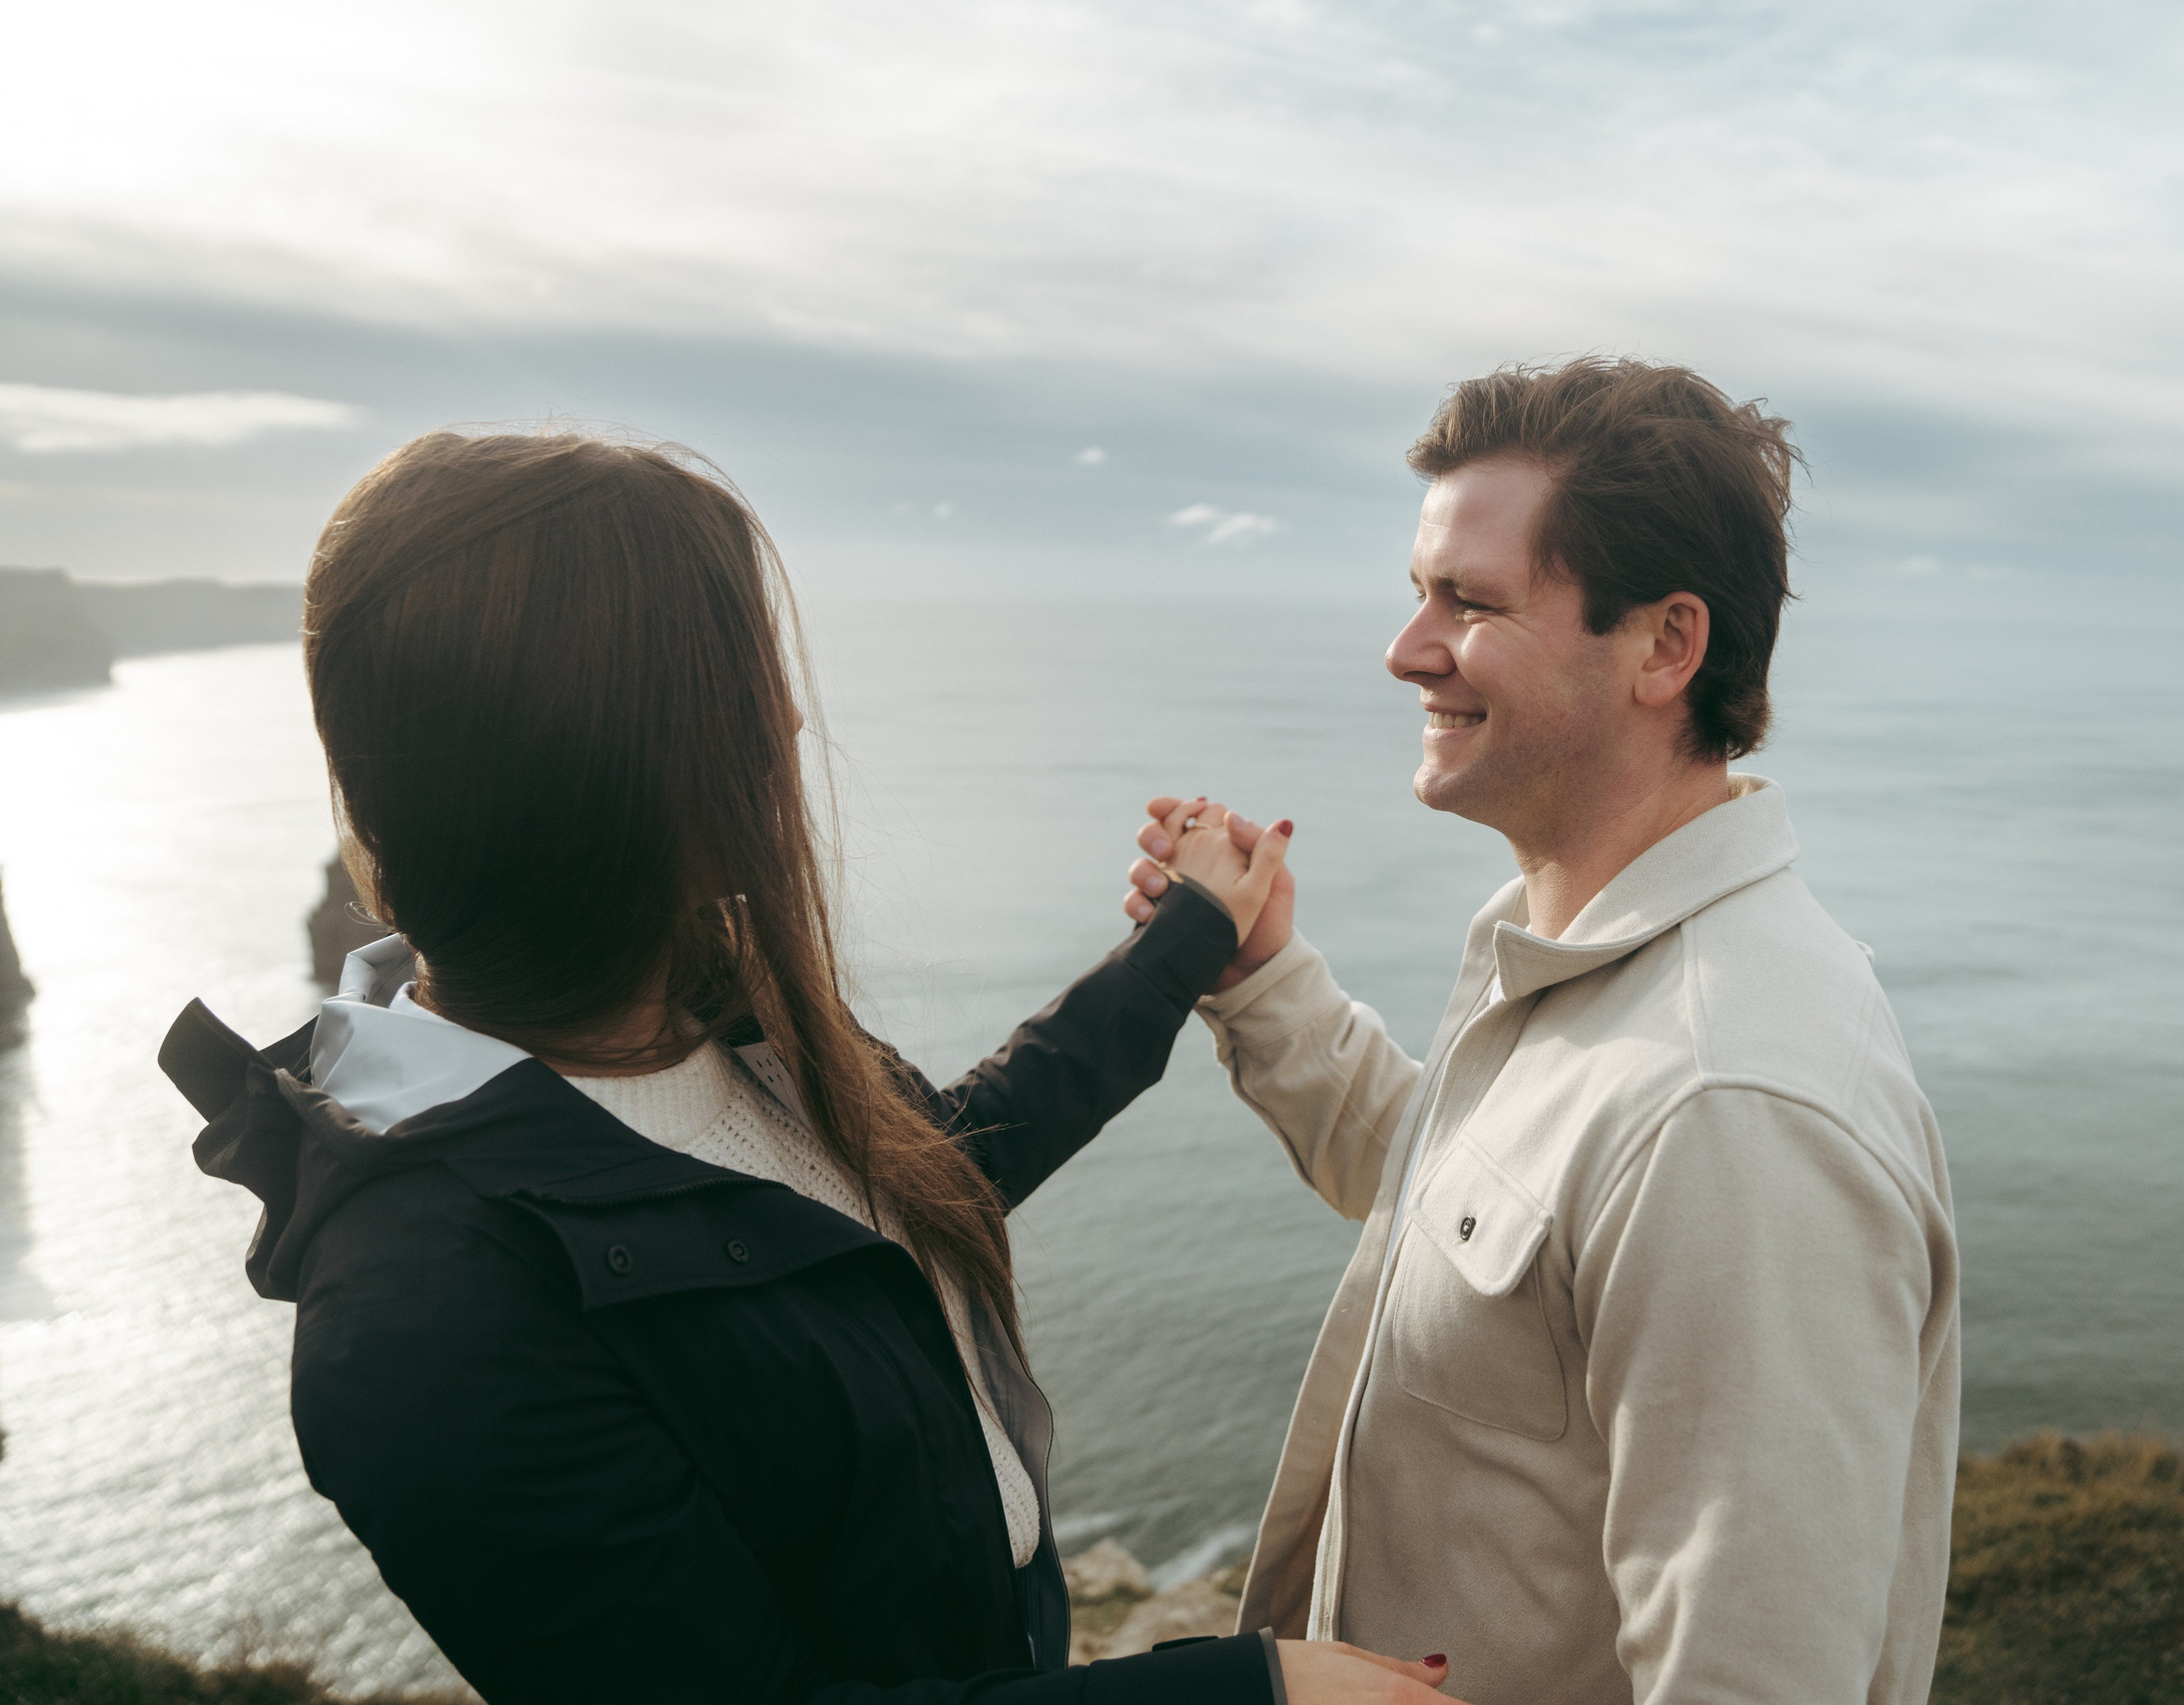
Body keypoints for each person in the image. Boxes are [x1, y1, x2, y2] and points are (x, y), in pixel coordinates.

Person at [156, 430, 1462, 1705]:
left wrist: (1183, 948)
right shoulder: (420, 1315)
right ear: (592, 764)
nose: (785, 718)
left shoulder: (711, 1012)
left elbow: (931, 1167)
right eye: (736, 685)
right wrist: (1256, 1690)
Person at [1121, 359, 1960, 1704]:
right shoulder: (1590, 957)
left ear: (1665, 647)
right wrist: (1266, 976)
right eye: (1420, 592)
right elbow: (1463, 1215)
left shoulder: (1730, 1099)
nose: (1408, 648)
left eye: (1472, 601)